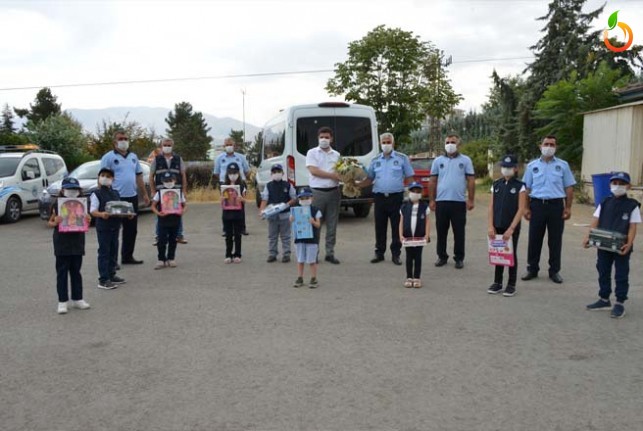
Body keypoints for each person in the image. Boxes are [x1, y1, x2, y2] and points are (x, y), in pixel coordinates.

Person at [583, 172, 640, 318]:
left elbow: (633, 227)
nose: (618, 186)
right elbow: (595, 220)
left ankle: (620, 302)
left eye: (622, 184)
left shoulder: (632, 205)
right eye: (615, 183)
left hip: (621, 246)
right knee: (603, 270)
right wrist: (588, 237)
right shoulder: (605, 202)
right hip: (604, 244)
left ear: (628, 186)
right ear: (610, 185)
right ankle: (604, 298)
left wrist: (629, 243)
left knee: (621, 273)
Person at [521, 135, 576, 284]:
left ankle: (554, 271)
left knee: (555, 240)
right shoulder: (532, 166)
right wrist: (526, 207)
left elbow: (569, 187)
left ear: (556, 148)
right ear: (540, 146)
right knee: (534, 239)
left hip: (556, 206)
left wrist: (568, 207)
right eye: (546, 144)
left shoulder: (563, 165)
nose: (549, 147)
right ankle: (532, 268)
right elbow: (527, 188)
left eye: (552, 144)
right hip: (537, 205)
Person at [359, 132, 415, 265]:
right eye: (383, 142)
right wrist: (356, 185)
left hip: (396, 197)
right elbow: (369, 179)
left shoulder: (402, 158)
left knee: (396, 227)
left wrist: (413, 196)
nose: (386, 144)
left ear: (393, 143)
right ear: (380, 144)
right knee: (380, 226)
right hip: (379, 198)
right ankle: (379, 253)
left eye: (388, 142)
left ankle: (396, 254)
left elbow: (410, 177)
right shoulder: (375, 160)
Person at [100, 130, 151, 265]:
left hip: (132, 197)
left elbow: (139, 176)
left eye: (126, 138)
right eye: (121, 138)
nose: (124, 141)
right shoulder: (108, 157)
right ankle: (113, 261)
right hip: (116, 198)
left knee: (131, 230)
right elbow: (102, 177)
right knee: (114, 229)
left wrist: (145, 194)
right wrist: (102, 196)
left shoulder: (133, 157)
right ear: (115, 142)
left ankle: (127, 256)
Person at [428, 134, 475, 269]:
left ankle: (459, 258)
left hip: (459, 202)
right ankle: (441, 256)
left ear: (458, 144)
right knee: (441, 231)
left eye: (453, 142)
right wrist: (431, 200)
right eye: (447, 142)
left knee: (459, 232)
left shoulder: (465, 160)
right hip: (441, 202)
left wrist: (470, 199)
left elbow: (471, 180)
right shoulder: (437, 161)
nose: (450, 144)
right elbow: (432, 181)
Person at [48, 177, 91, 314]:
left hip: (77, 241)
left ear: (79, 191)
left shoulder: (82, 203)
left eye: (74, 190)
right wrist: (55, 222)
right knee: (62, 272)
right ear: (62, 190)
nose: (72, 192)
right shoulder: (56, 204)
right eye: (69, 189)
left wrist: (88, 219)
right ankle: (62, 301)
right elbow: (50, 223)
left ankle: (78, 298)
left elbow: (86, 221)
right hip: (62, 242)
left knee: (76, 271)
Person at [487, 155, 527, 297]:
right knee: (498, 253)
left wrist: (511, 228)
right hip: (497, 224)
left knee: (510, 254)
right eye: (504, 167)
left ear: (515, 169)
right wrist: (490, 226)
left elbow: (521, 208)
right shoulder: (496, 184)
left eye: (509, 167)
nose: (506, 169)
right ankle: (497, 282)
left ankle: (511, 284)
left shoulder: (520, 186)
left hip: (511, 226)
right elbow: (491, 206)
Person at [305, 126, 341, 264]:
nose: (324, 139)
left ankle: (330, 253)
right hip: (317, 193)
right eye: (321, 137)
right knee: (315, 224)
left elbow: (341, 172)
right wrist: (333, 175)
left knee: (332, 225)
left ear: (331, 139)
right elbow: (314, 171)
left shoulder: (336, 155)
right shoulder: (312, 153)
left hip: (334, 192)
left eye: (327, 137)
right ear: (318, 138)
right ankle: (314, 254)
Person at [90, 168, 127, 290]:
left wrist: (128, 214)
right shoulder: (96, 193)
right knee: (104, 252)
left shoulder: (115, 193)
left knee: (113, 250)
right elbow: (93, 211)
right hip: (104, 227)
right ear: (99, 177)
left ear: (113, 179)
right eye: (103, 175)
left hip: (115, 226)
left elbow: (120, 208)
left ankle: (112, 274)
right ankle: (103, 279)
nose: (105, 178)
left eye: (108, 176)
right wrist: (101, 215)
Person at [149, 138, 188, 245]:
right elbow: (151, 176)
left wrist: (184, 190)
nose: (167, 147)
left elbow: (183, 175)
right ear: (161, 146)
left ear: (172, 146)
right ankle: (159, 236)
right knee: (160, 214)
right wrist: (153, 191)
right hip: (161, 192)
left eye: (169, 145)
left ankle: (179, 235)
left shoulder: (178, 159)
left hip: (176, 192)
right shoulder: (156, 160)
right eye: (165, 145)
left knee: (177, 213)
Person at [258, 163, 297, 263]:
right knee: (272, 236)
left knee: (286, 236)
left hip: (285, 215)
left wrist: (286, 205)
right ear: (271, 174)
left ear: (283, 173)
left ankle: (286, 254)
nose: (276, 173)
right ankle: (272, 254)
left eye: (278, 172)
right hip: (272, 215)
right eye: (274, 172)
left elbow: (294, 198)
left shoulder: (288, 185)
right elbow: (264, 199)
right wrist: (262, 211)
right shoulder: (268, 186)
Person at [214, 137, 250, 235]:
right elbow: (217, 172)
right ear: (224, 146)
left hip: (240, 183)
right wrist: (226, 180)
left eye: (231, 145)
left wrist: (240, 180)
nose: (229, 146)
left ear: (234, 146)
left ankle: (242, 228)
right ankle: (227, 229)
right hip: (225, 184)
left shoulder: (241, 157)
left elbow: (247, 171)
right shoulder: (219, 158)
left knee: (240, 205)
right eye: (227, 145)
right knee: (226, 205)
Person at [151, 172, 187, 269]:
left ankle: (171, 258)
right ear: (162, 182)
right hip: (163, 219)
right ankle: (161, 259)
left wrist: (182, 212)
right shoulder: (159, 193)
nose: (168, 183)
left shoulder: (178, 193)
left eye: (170, 180)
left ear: (175, 181)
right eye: (166, 181)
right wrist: (159, 213)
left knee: (173, 239)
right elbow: (153, 206)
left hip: (175, 219)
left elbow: (185, 205)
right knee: (161, 239)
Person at [399, 182, 430, 288]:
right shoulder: (404, 206)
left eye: (418, 192)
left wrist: (427, 235)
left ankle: (417, 277)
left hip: (419, 237)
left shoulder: (424, 207)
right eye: (413, 191)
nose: (415, 193)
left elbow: (427, 222)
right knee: (409, 257)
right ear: (409, 192)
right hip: (408, 237)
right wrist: (400, 235)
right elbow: (401, 222)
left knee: (417, 257)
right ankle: (409, 277)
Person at [291, 187, 322, 288]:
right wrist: (291, 219)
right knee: (300, 259)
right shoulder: (295, 210)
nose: (304, 200)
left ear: (312, 198)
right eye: (302, 198)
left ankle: (313, 278)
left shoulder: (315, 210)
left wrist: (313, 222)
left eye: (307, 198)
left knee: (311, 260)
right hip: (299, 238)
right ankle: (300, 277)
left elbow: (318, 224)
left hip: (312, 239)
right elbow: (291, 222)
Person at [221, 163, 246, 263]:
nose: (232, 175)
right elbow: (221, 201)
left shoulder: (242, 185)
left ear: (238, 173)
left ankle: (237, 254)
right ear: (227, 173)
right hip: (227, 214)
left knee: (237, 234)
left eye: (235, 173)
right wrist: (222, 199)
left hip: (238, 214)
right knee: (228, 235)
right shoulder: (223, 185)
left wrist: (241, 199)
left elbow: (245, 200)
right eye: (230, 173)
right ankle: (228, 254)